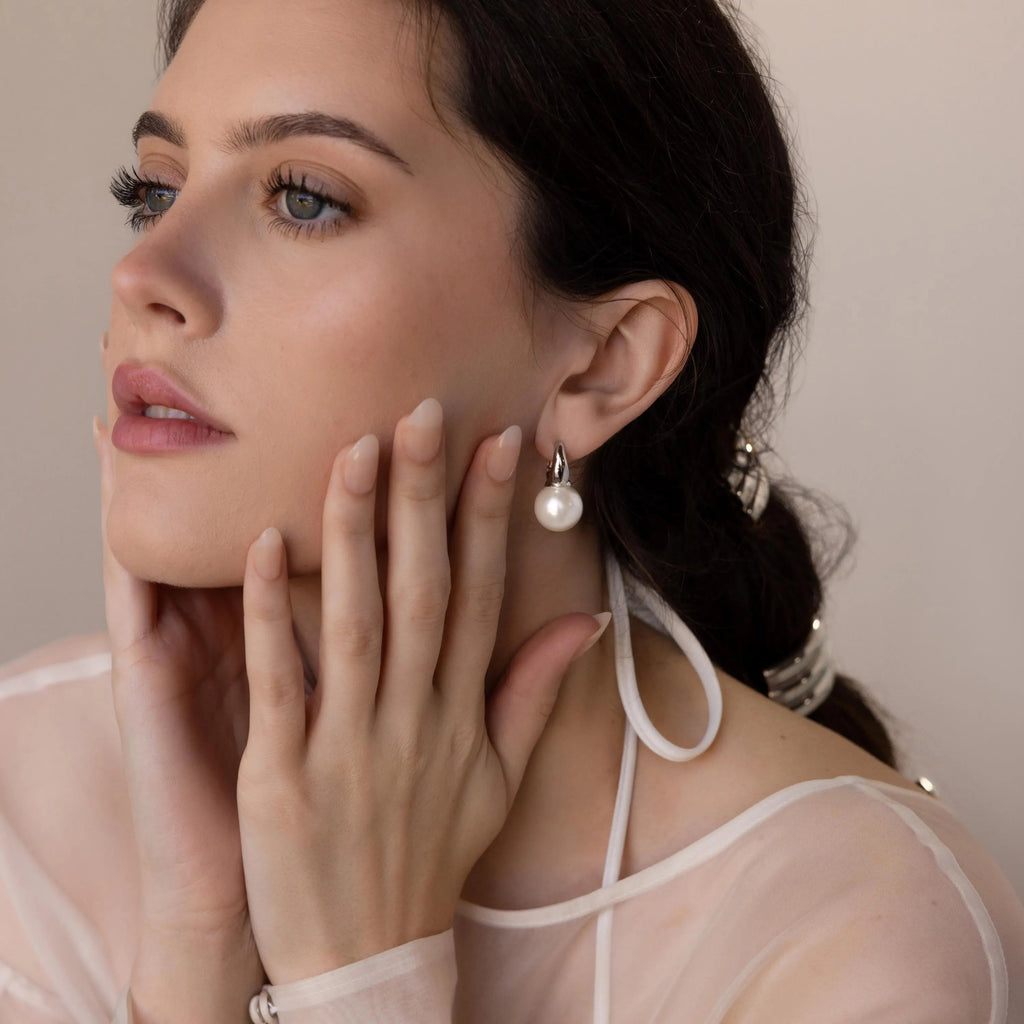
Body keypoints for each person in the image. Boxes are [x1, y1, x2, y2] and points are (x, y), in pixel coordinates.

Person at [0, 0, 1021, 1020]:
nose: (143, 275)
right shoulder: (29, 787)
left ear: (605, 363)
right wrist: (199, 940)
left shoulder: (854, 927)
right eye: (154, 190)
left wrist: (359, 977)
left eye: (304, 198)